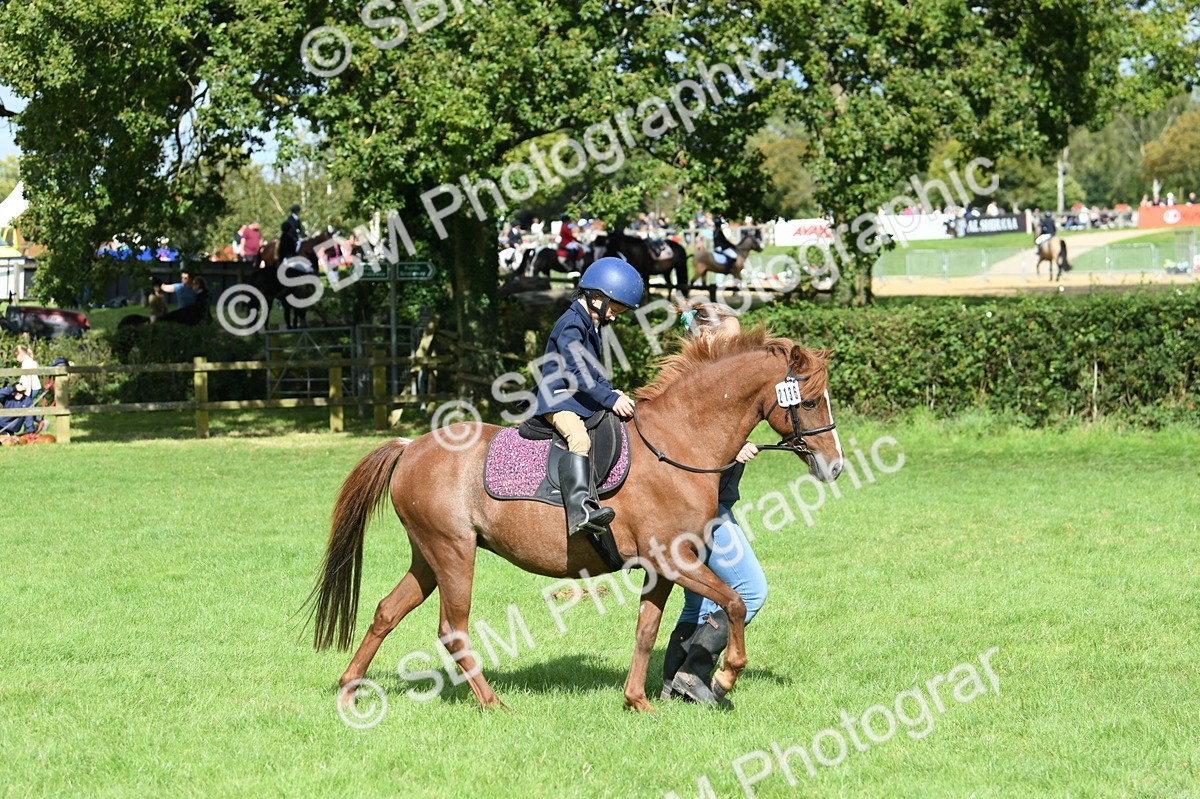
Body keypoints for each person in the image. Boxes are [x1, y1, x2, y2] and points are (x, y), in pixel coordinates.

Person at [661, 304, 766, 707]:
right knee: (751, 590)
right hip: (704, 512)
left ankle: (671, 680)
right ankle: (694, 674)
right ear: (706, 337)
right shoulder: (704, 382)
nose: (737, 347)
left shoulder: (704, 381)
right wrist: (732, 450)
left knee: (698, 598)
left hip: (700, 508)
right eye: (731, 338)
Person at [530, 257, 641, 537]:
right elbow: (578, 372)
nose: (614, 316)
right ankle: (581, 510)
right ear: (595, 297)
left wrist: (610, 391)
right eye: (614, 309)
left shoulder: (589, 324)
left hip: (576, 396)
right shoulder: (571, 324)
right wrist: (608, 398)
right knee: (579, 439)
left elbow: (593, 370)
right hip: (557, 398)